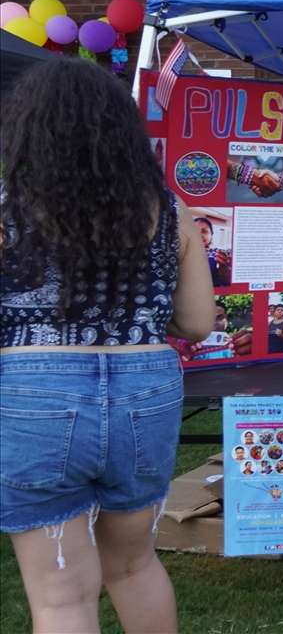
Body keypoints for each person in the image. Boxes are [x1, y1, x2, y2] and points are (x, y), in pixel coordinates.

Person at [1, 58, 214, 634]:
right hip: (145, 390)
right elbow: (198, 323)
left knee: (61, 599)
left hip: (34, 392)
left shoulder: (5, 207)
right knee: (134, 566)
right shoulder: (167, 210)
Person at [194, 216, 231, 287]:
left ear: (211, 235)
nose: (199, 235)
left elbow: (226, 284)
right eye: (194, 231)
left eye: (204, 231)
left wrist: (224, 269)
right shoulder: (181, 257)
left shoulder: (218, 258)